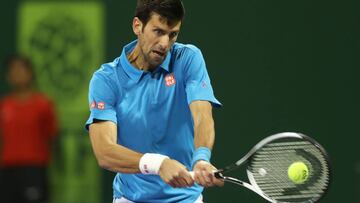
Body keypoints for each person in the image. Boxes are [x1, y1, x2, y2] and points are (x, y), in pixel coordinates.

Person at [86, 0, 223, 202]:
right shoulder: (107, 80)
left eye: (172, 34)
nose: (165, 44)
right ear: (137, 26)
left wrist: (201, 158)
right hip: (130, 198)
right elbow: (104, 152)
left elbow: (202, 116)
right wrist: (159, 164)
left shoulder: (188, 59)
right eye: (158, 31)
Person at [0, 55, 58, 203]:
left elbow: (52, 137)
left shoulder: (43, 104)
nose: (17, 73)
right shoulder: (4, 105)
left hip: (34, 170)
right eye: (13, 70)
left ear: (30, 73)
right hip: (7, 171)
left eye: (21, 69)